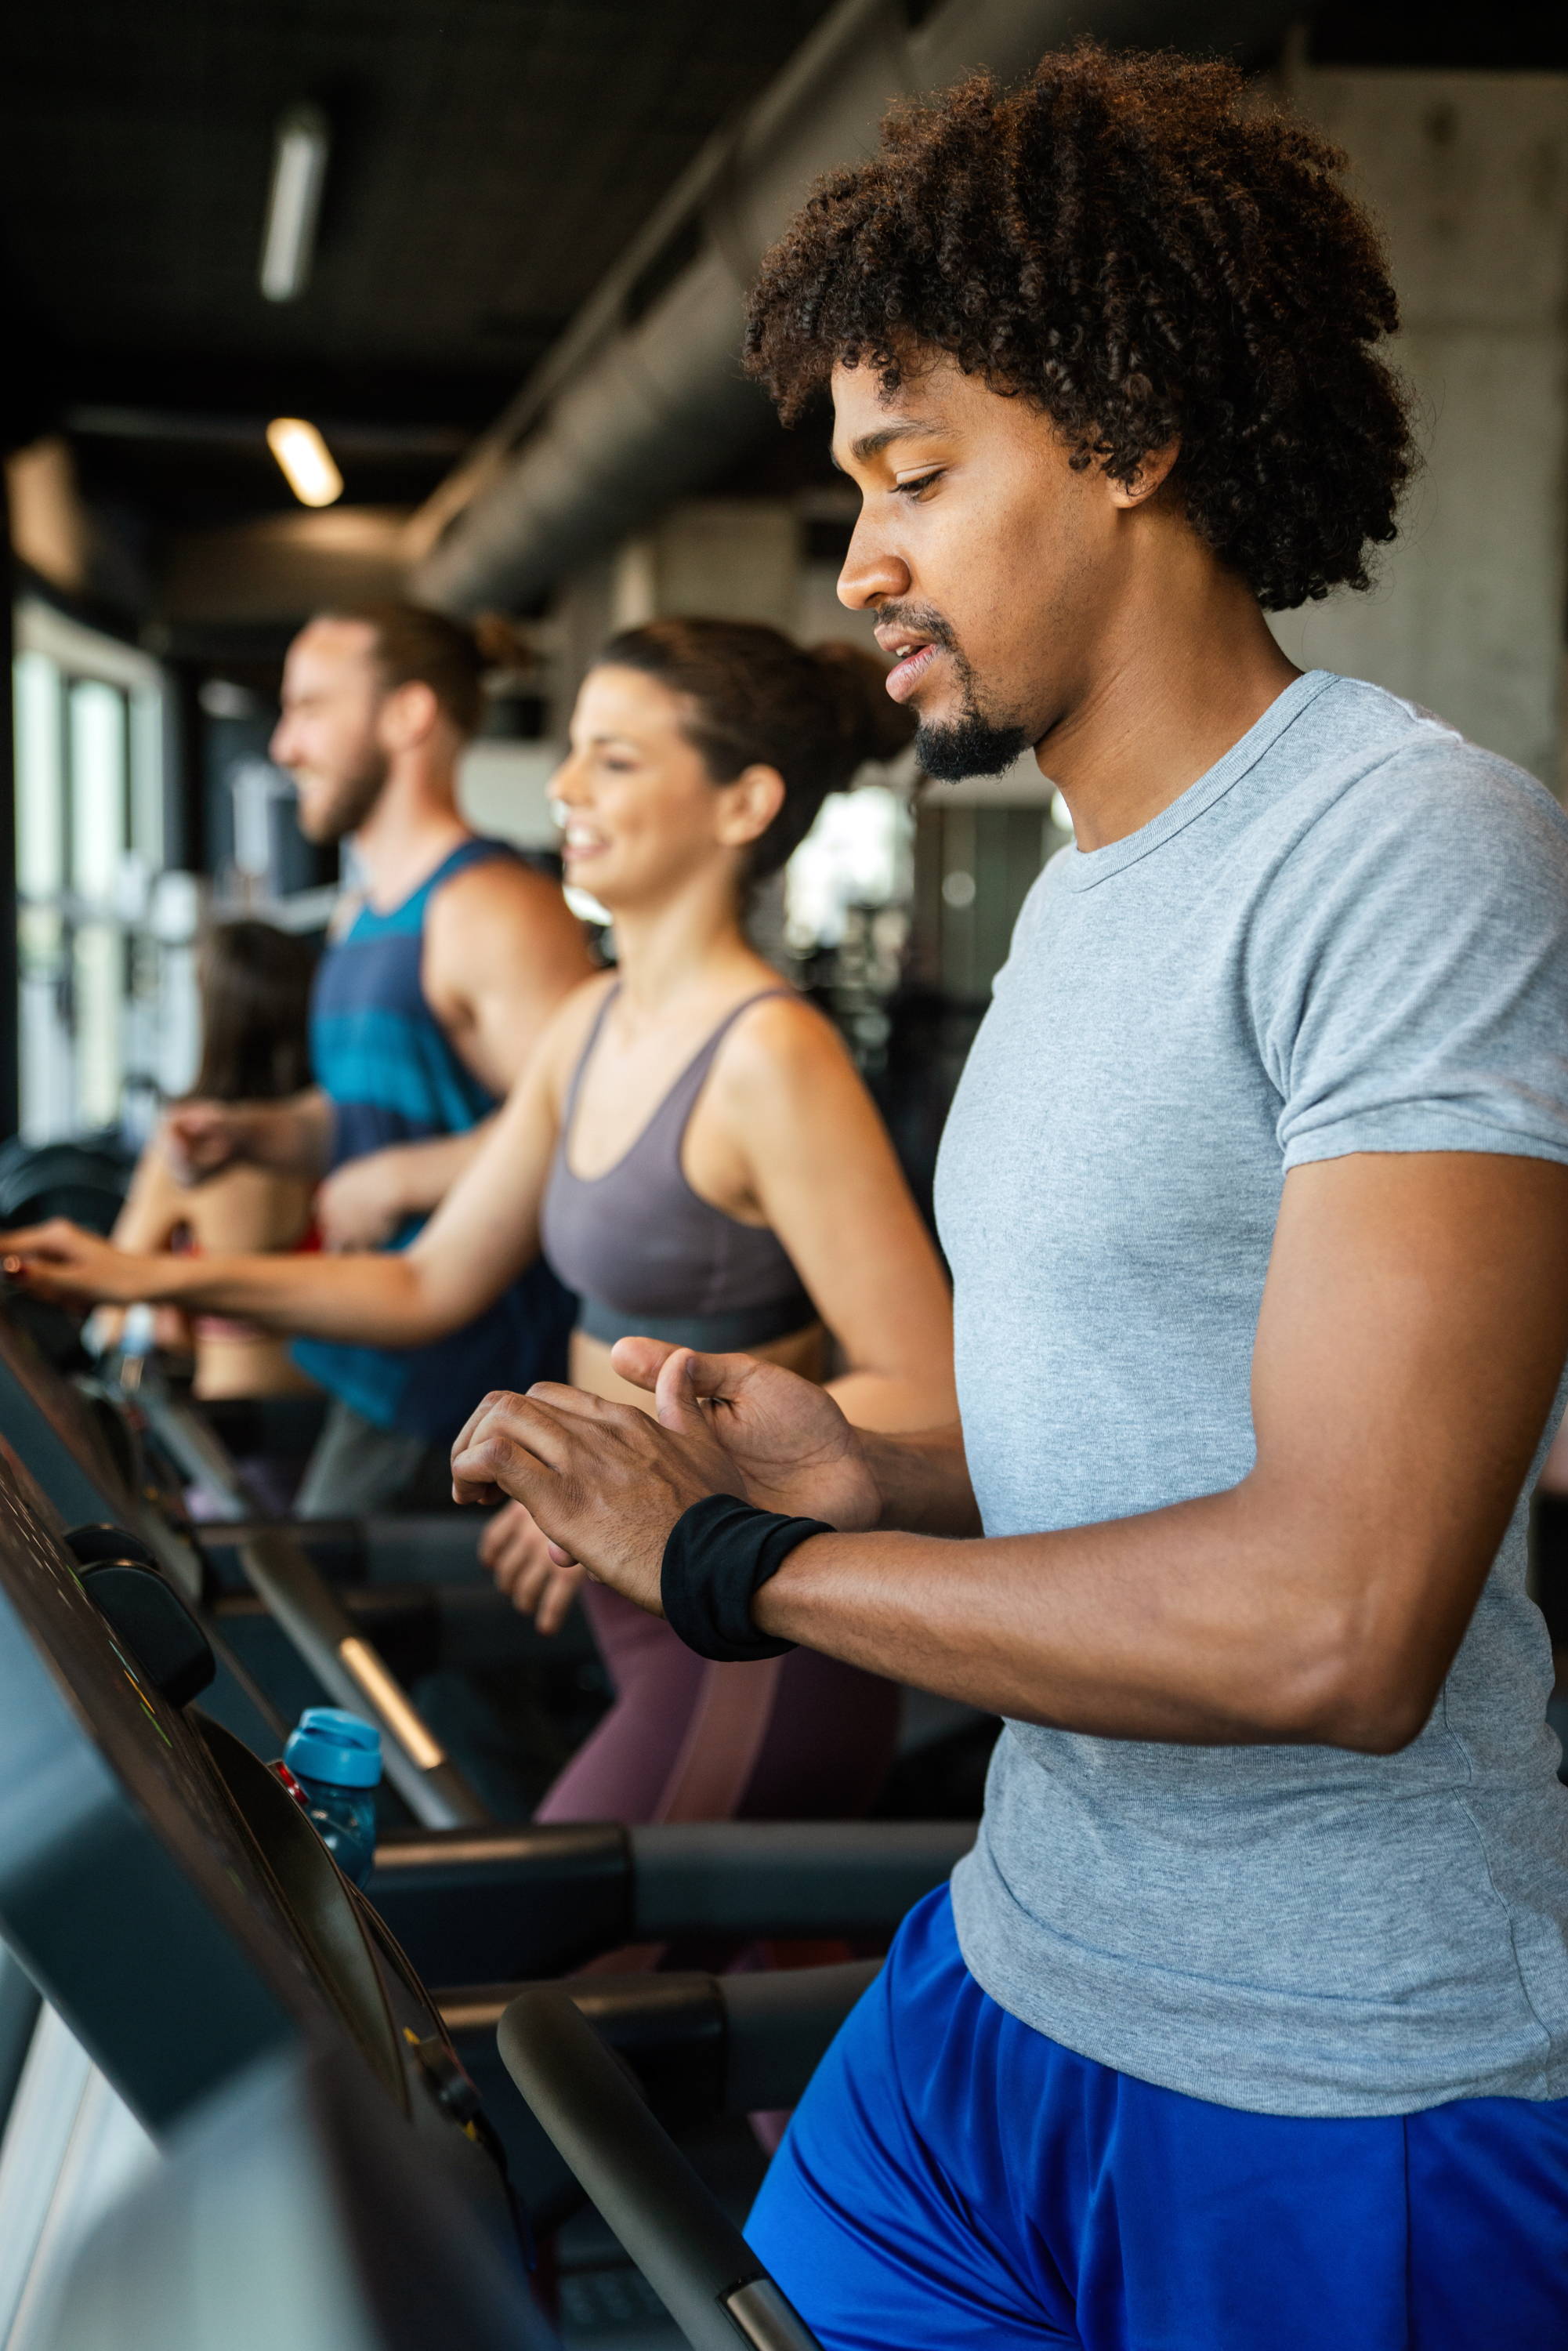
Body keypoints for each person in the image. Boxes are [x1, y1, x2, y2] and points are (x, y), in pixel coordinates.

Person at [425, 48, 1568, 2351]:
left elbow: (1339, 1620)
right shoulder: (1081, 891)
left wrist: (755, 1567)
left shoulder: (1409, 849)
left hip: (1336, 2090)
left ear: (1131, 434)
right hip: (1009, 1966)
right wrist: (873, 1458)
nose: (859, 561)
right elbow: (1159, 1409)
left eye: (914, 477)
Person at [2, 618, 956, 1829]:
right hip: (632, 1596)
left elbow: (930, 1393)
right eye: (571, 752)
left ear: (742, 804)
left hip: (747, 1633)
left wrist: (645, 1460)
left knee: (539, 1976)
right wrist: (133, 1272)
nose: (563, 788)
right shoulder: (593, 1020)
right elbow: (427, 1286)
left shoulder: (771, 1055)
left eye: (613, 759)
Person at [167, 601, 595, 1515]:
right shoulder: (358, 914)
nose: (284, 746)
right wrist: (254, 1134)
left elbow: (594, 1133)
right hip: (371, 1353)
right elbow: (362, 1114)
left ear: (409, 715)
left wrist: (404, 1177)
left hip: (472, 1383)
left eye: (311, 707)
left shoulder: (491, 907)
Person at [97, 918, 320, 1404]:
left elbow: (111, 1314)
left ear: (212, 1019)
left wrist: (178, 1304)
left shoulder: (187, 1153)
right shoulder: (346, 1136)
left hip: (232, 1442)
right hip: (343, 1420)